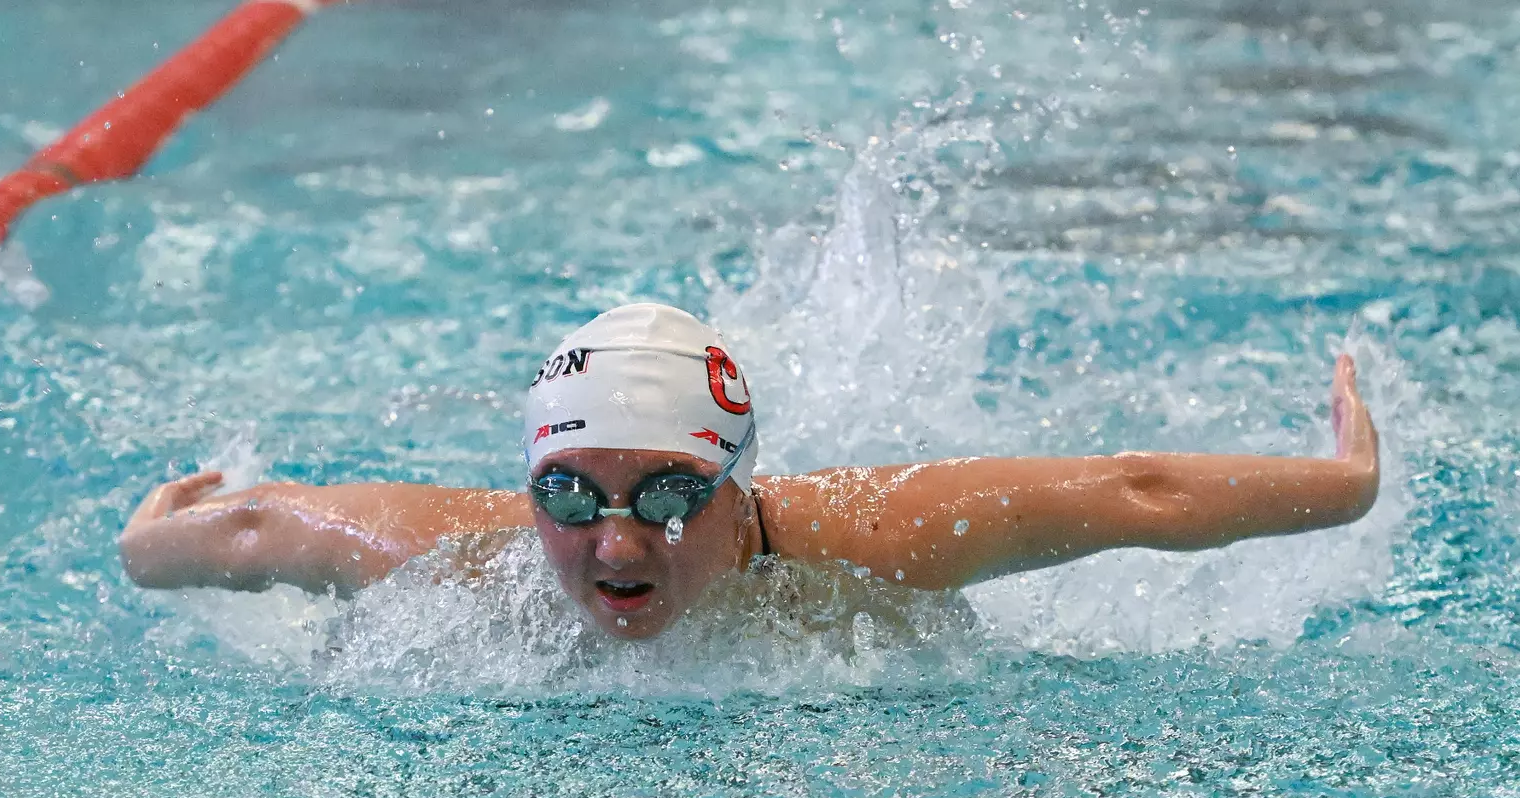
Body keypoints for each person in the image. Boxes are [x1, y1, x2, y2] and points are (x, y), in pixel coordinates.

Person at [120, 303, 1380, 640]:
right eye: (572, 495)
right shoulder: (448, 553)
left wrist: (1345, 484)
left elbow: (1127, 493)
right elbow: (241, 536)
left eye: (669, 493)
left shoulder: (870, 540)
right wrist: (150, 532)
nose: (618, 543)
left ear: (734, 489)